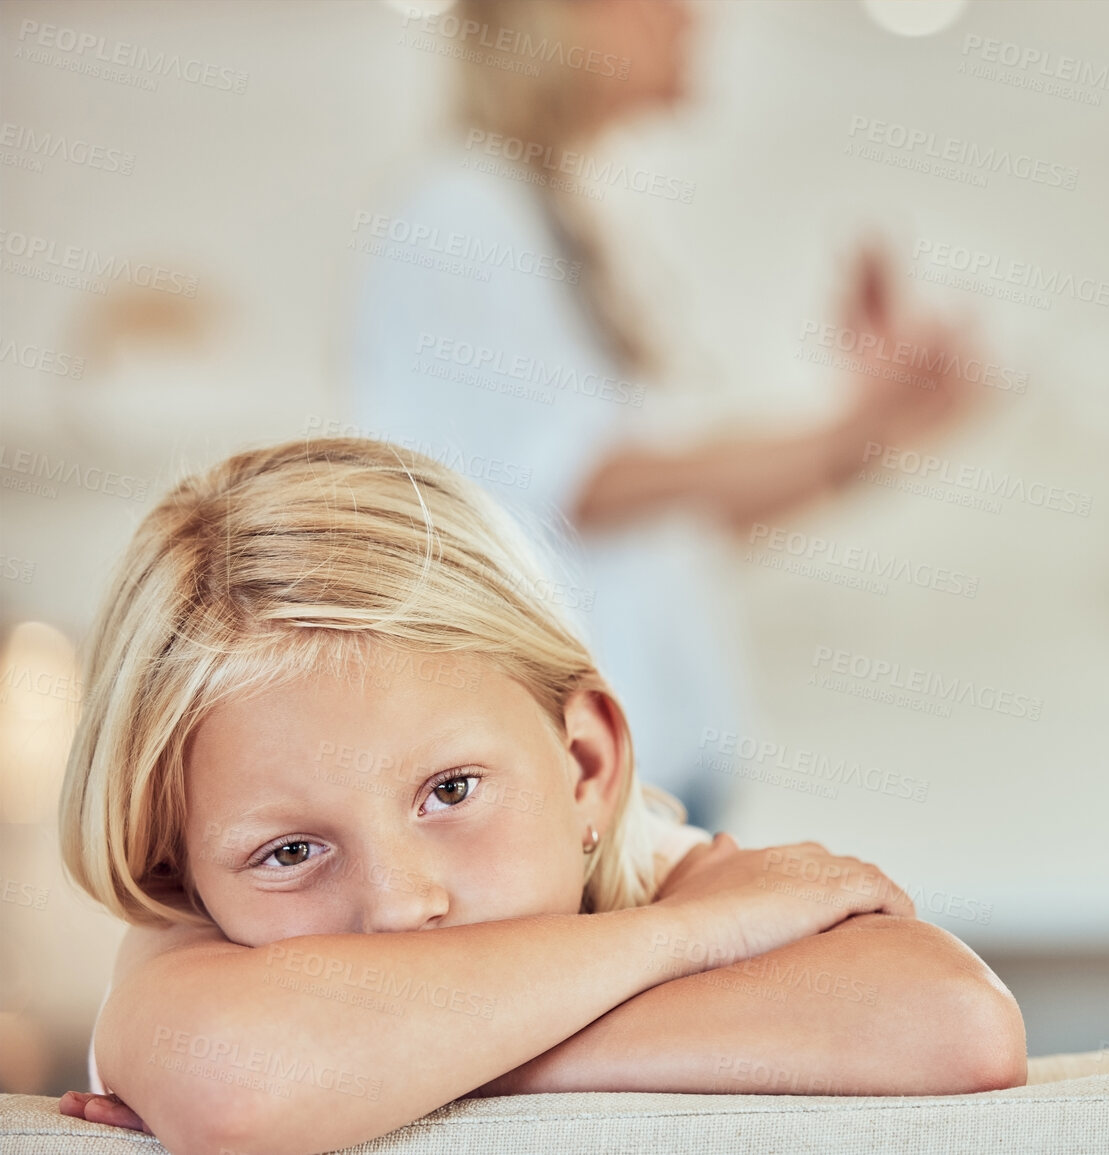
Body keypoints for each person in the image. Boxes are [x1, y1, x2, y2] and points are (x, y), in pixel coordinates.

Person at [54, 438, 1025, 1149]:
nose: (399, 904)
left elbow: (954, 1023)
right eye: (290, 853)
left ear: (588, 765)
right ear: (181, 875)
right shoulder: (190, 941)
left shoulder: (673, 866)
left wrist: (390, 1057)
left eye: (452, 789)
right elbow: (239, 1085)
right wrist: (678, 944)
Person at [348, 0, 976, 831]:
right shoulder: (463, 208)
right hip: (579, 785)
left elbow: (676, 526)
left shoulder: (565, 215)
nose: (693, 16)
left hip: (658, 772)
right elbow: (577, 484)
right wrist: (850, 427)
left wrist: (879, 433)